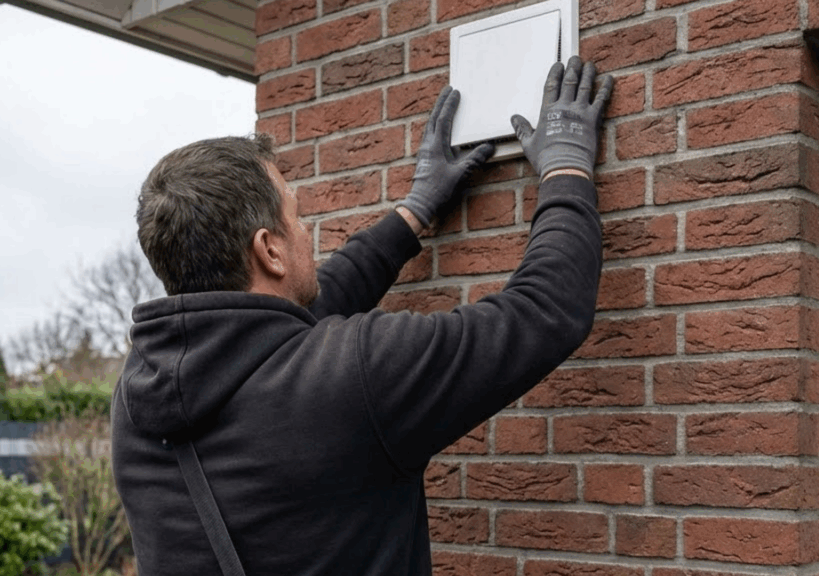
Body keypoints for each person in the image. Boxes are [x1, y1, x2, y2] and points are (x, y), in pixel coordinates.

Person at [112, 56, 613, 575]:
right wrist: (567, 170)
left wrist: (413, 212)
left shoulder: (137, 396)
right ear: (270, 250)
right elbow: (543, 311)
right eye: (297, 215)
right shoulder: (356, 376)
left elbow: (299, 315)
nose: (307, 230)